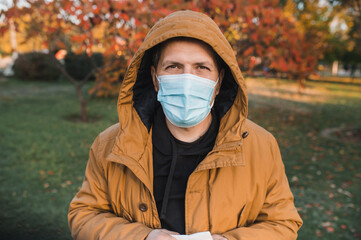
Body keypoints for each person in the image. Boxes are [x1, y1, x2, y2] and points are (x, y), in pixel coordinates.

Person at [68, 10, 302, 240]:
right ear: (155, 78)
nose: (188, 80)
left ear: (219, 82)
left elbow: (283, 224)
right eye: (174, 67)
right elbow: (84, 216)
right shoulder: (110, 145)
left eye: (201, 67)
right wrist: (143, 238)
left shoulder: (261, 147)